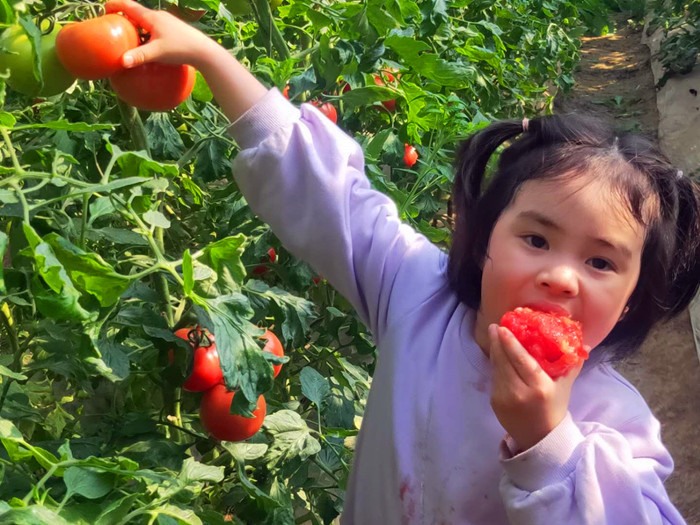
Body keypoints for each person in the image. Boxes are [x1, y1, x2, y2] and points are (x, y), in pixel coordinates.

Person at [104, 2, 700, 523]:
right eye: (537, 241)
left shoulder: (616, 425)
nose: (560, 276)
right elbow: (329, 195)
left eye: (601, 263)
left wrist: (548, 441)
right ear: (485, 237)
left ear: (631, 295)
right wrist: (211, 58)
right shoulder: (418, 294)